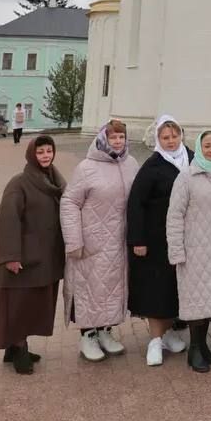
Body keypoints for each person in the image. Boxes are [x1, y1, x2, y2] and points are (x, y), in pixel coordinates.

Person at [60, 119, 138, 361]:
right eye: (113, 137)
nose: (117, 141)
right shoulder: (87, 167)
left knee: (113, 288)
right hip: (92, 241)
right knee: (90, 288)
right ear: (104, 138)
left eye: (121, 137)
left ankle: (106, 331)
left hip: (119, 240)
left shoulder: (131, 164)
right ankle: (87, 335)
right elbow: (70, 202)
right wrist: (74, 240)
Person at [0, 135, 66, 374]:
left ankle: (15, 348)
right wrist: (11, 256)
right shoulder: (19, 183)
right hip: (23, 258)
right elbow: (7, 220)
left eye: (49, 151)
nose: (46, 156)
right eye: (40, 152)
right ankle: (18, 348)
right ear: (31, 155)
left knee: (33, 304)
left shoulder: (54, 180)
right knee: (18, 304)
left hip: (44, 257)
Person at [166, 129, 211, 373]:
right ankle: (194, 349)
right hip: (194, 249)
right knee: (196, 301)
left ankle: (203, 345)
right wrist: (176, 251)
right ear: (199, 147)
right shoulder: (186, 177)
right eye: (207, 146)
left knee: (209, 301)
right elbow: (174, 215)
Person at [127, 115, 192, 366]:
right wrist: (138, 239)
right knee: (156, 289)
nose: (171, 141)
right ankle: (155, 340)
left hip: (186, 236)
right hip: (156, 239)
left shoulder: (193, 159)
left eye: (174, 136)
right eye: (165, 137)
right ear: (158, 139)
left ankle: (169, 332)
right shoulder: (152, 166)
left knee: (176, 288)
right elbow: (136, 204)